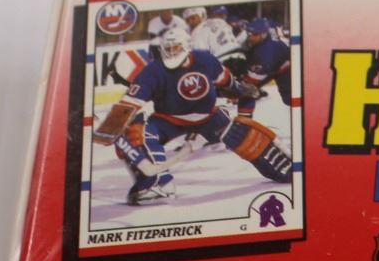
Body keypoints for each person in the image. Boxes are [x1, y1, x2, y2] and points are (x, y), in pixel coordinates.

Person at [91, 26, 296, 205]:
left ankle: (282, 167)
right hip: (169, 120)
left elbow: (227, 83)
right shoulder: (153, 71)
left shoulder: (206, 60)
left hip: (209, 117)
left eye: (176, 47)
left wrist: (241, 90)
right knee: (139, 135)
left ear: (187, 46)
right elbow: (129, 104)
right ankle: (158, 185)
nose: (172, 52)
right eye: (168, 48)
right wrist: (111, 130)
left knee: (243, 136)